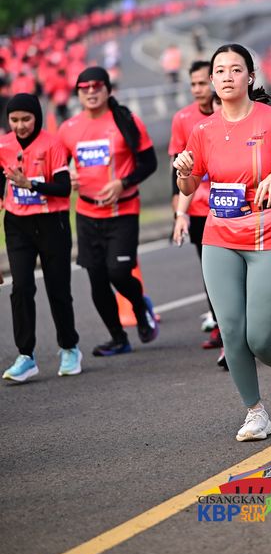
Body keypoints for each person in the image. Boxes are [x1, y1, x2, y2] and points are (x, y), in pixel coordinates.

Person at [174, 43, 271, 441]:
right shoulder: (202, 130)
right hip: (220, 235)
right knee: (231, 331)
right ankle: (255, 412)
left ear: (250, 77)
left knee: (259, 337)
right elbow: (189, 185)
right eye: (220, 71)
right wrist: (183, 172)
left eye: (235, 70)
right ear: (212, 80)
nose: (227, 77)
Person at [58, 67, 159, 356]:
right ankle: (118, 338)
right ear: (78, 93)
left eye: (97, 86)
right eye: (85, 87)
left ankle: (140, 307)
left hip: (123, 211)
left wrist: (122, 183)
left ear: (107, 89)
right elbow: (57, 169)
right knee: (97, 279)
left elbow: (149, 163)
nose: (91, 91)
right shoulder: (68, 128)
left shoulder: (126, 121)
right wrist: (66, 177)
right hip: (87, 214)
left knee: (119, 272)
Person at [0, 94, 81, 382]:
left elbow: (63, 188)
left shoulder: (53, 144)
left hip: (51, 223)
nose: (20, 125)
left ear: (37, 117)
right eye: (14, 120)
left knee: (58, 289)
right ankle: (26, 356)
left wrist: (30, 184)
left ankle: (70, 347)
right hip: (17, 225)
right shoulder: (4, 145)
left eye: (26, 119)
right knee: (21, 288)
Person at [169, 61, 225, 364]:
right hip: (201, 207)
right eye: (193, 84)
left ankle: (244, 329)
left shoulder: (236, 115)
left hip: (237, 208)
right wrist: (179, 211)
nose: (198, 90)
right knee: (212, 271)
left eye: (203, 83)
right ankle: (223, 328)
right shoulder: (185, 120)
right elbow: (179, 167)